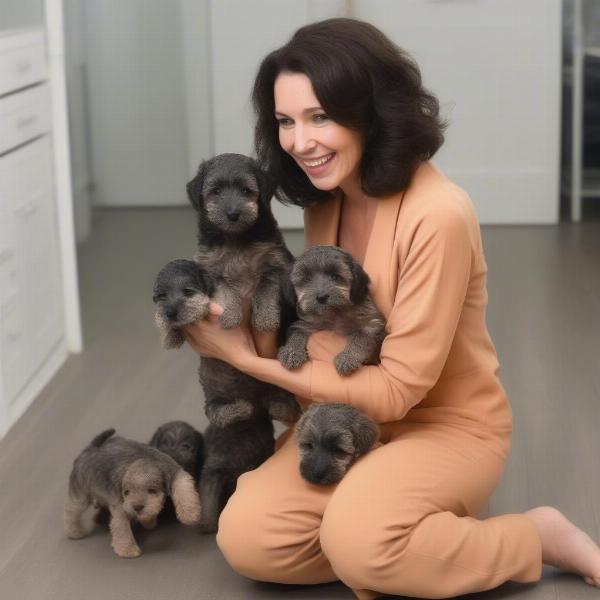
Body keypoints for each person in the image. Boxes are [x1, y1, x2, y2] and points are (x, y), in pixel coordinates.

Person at [184, 18, 600, 599]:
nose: (299, 142)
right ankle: (397, 537)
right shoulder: (327, 200)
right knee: (250, 541)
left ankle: (536, 536)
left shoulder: (440, 215)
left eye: (320, 116)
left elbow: (400, 392)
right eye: (285, 121)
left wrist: (247, 361)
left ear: (371, 112)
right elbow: (320, 331)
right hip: (339, 418)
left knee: (361, 541)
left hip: (446, 426)